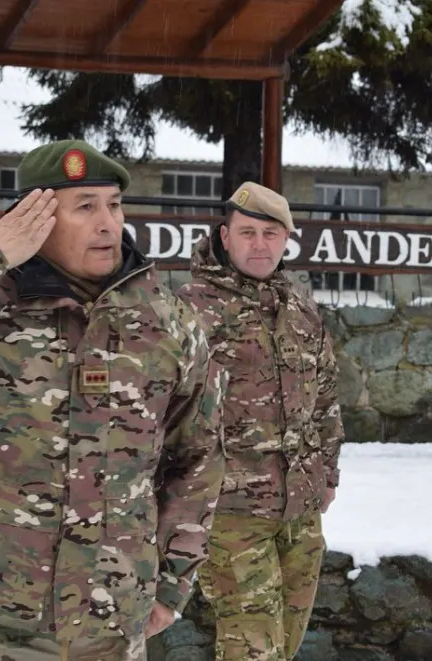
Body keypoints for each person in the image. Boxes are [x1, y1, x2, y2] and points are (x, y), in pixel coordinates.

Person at [0, 139, 227, 661]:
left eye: (114, 204)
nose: (108, 223)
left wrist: (171, 585)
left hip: (114, 610)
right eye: (85, 207)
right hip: (2, 613)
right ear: (33, 220)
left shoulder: (166, 323)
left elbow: (198, 457)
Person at [175, 181, 343, 661]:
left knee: (284, 642)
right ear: (224, 236)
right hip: (229, 510)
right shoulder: (189, 310)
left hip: (300, 508)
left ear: (286, 240)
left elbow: (326, 400)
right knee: (252, 645)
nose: (259, 244)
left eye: (271, 234)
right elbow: (164, 411)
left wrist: (328, 475)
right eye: (248, 232)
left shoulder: (301, 310)